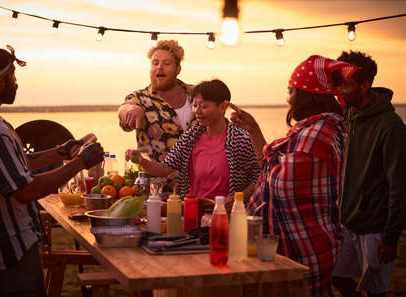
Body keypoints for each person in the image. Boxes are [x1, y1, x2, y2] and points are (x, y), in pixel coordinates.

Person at [0, 46, 104, 297]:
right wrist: (80, 162)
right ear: (1, 82)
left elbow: (11, 164)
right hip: (8, 248)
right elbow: (25, 190)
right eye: (13, 76)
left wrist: (59, 152)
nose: (16, 82)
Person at [230, 55, 360, 297]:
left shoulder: (320, 132)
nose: (288, 97)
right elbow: (272, 169)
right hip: (307, 239)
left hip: (305, 242)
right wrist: (254, 129)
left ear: (306, 94)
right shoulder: (314, 129)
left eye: (291, 90)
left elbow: (281, 183)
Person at [331, 51, 406, 297]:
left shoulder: (391, 127)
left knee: (376, 291)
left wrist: (391, 237)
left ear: (365, 85)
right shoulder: (351, 115)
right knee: (338, 277)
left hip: (375, 227)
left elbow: (400, 186)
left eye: (347, 85)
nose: (340, 90)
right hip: (349, 222)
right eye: (338, 84)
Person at [126, 79, 260, 202]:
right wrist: (141, 160)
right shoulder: (191, 137)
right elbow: (163, 169)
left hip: (229, 214)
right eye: (195, 105)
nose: (197, 111)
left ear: (223, 107)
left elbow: (259, 176)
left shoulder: (240, 139)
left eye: (204, 106)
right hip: (194, 211)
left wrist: (238, 199)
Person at [118, 40, 196, 163]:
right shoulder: (140, 98)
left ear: (178, 69)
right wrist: (131, 110)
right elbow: (125, 108)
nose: (159, 67)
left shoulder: (196, 93)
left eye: (166, 63)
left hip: (200, 180)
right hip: (156, 181)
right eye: (155, 63)